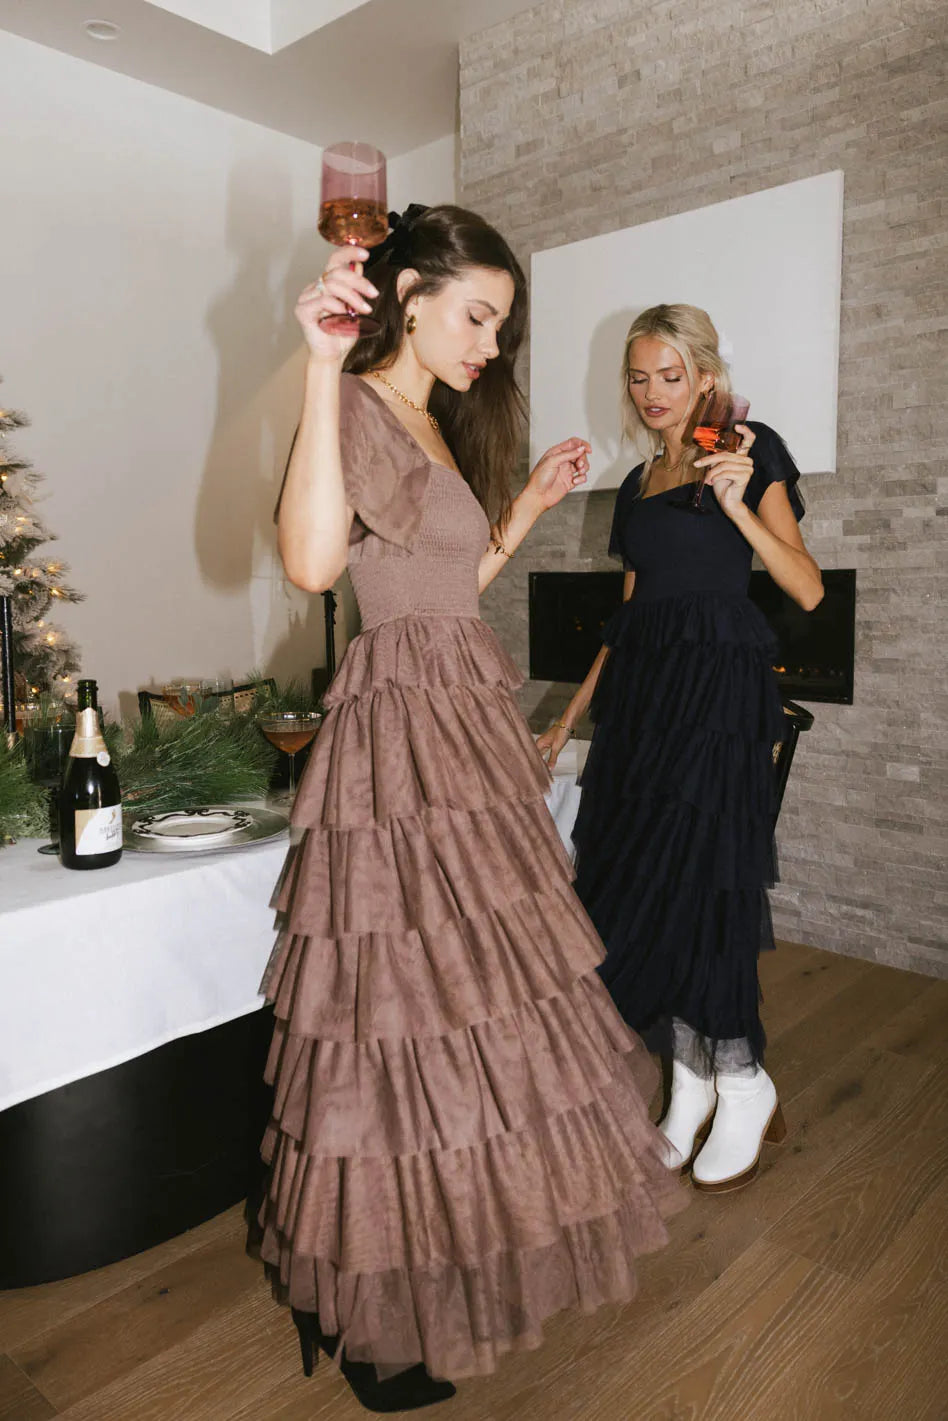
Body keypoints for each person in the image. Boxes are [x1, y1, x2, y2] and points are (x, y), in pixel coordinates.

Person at [257, 208, 687, 1412]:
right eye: (478, 316)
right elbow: (312, 566)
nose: (492, 345)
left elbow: (446, 586)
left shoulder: (431, 422)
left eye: (502, 325)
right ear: (408, 296)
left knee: (476, 1000)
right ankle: (376, 1311)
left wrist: (532, 505)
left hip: (462, 719)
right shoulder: (352, 400)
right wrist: (318, 364)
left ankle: (437, 1261)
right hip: (403, 736)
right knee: (403, 1009)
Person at [537, 303, 823, 1196]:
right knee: (646, 884)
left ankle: (741, 1075)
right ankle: (691, 1080)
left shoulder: (750, 451)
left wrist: (738, 506)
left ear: (705, 375)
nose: (653, 392)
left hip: (718, 699)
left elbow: (807, 588)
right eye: (639, 376)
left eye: (671, 374)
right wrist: (570, 717)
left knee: (706, 881)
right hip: (643, 705)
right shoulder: (635, 484)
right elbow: (630, 615)